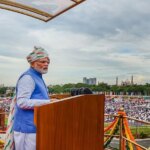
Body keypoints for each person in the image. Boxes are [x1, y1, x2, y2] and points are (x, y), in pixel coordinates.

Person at [13, 46, 51, 150]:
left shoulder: (37, 76)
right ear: (33, 63)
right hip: (27, 130)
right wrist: (49, 103)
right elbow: (22, 102)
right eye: (43, 61)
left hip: (34, 128)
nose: (46, 64)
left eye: (48, 62)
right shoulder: (28, 78)